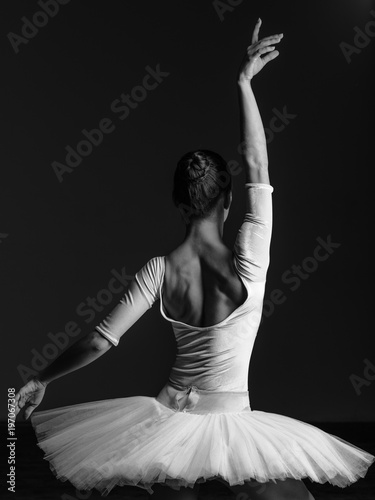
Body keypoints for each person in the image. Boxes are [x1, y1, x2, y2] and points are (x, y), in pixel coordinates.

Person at [14, 18, 374, 500]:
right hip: (233, 425)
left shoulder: (158, 271)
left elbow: (101, 342)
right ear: (227, 203)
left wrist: (41, 378)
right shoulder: (251, 257)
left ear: (179, 205)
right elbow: (258, 165)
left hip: (169, 426)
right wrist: (244, 82)